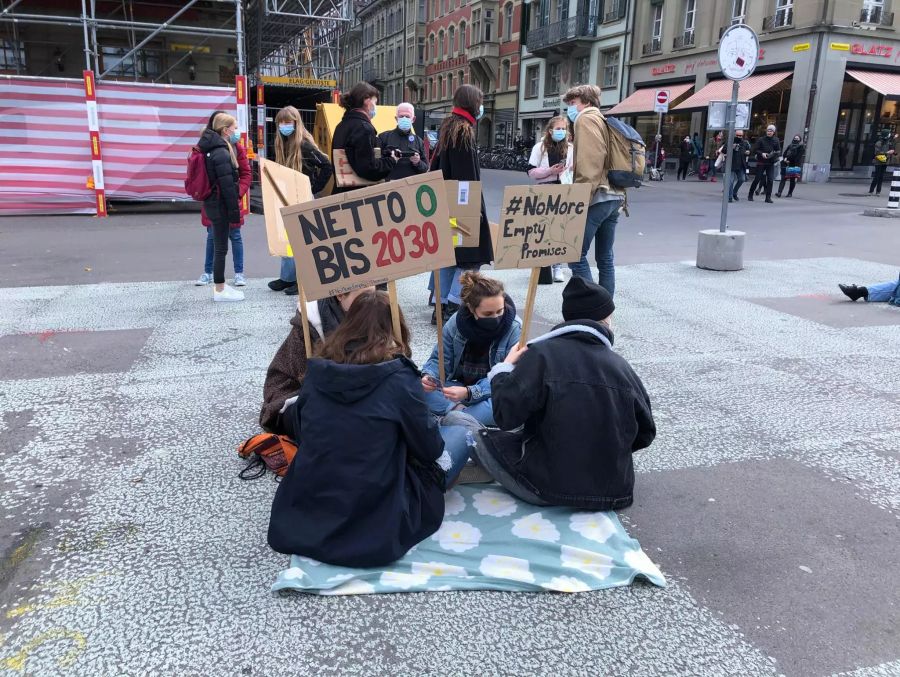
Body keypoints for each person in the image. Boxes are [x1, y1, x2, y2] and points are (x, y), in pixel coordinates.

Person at [267, 291, 470, 568]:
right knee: (461, 433)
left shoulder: (317, 372)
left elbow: (307, 433)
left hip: (311, 509)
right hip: (378, 518)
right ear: (393, 327)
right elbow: (429, 449)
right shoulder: (400, 378)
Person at [470, 277, 656, 508]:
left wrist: (502, 370)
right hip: (615, 491)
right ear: (605, 319)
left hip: (545, 489)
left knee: (466, 428)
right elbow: (645, 434)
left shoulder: (541, 355)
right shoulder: (622, 367)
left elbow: (506, 416)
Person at [259, 286, 374, 436]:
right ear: (340, 294)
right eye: (363, 297)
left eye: (373, 293)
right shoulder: (310, 325)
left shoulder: (378, 309)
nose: (369, 302)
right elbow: (309, 382)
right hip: (301, 394)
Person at [428, 84, 495, 323]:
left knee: (449, 256)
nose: (482, 105)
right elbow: (466, 177)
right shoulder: (463, 131)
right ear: (473, 102)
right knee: (468, 258)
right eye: (481, 100)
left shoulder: (450, 127)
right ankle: (453, 307)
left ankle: (440, 304)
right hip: (461, 202)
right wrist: (472, 210)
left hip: (447, 200)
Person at [421, 271, 521, 427]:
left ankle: (456, 416)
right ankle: (462, 415)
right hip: (457, 389)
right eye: (487, 313)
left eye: (500, 311)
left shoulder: (515, 328)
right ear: (471, 309)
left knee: (509, 404)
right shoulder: (455, 324)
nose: (495, 317)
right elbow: (439, 360)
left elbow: (511, 378)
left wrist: (470, 392)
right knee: (416, 388)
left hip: (492, 393)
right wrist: (429, 376)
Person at [563, 84, 624, 295]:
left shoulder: (586, 119)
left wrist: (579, 202)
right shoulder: (603, 120)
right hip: (615, 195)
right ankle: (606, 310)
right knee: (605, 257)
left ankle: (593, 307)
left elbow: (590, 162)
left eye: (573, 103)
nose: (570, 109)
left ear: (586, 102)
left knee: (575, 254)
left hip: (597, 196)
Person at [267, 106, 334, 296]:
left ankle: (303, 280)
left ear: (296, 123)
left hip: (303, 196)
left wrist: (313, 188)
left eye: (288, 122)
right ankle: (288, 276)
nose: (284, 125)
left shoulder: (304, 144)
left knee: (303, 240)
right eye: (281, 122)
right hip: (288, 195)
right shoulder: (283, 143)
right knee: (287, 238)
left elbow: (326, 164)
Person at [196, 110, 251, 288]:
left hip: (224, 200)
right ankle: (211, 276)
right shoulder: (218, 151)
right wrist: (232, 197)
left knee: (233, 237)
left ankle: (238, 273)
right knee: (216, 241)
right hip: (223, 203)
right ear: (225, 130)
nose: (238, 132)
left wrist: (238, 193)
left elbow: (245, 174)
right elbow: (223, 182)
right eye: (235, 128)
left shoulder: (232, 148)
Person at [527, 115, 572, 283]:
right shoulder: (540, 147)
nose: (561, 131)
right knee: (543, 228)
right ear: (550, 130)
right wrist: (549, 171)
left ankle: (557, 266)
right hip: (544, 191)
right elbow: (531, 172)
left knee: (560, 229)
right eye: (558, 129)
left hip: (564, 191)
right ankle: (541, 265)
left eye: (563, 128)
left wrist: (569, 171)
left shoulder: (570, 148)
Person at [331, 81, 398, 195]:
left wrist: (383, 154)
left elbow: (354, 156)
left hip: (340, 193)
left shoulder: (341, 125)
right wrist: (391, 160)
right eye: (375, 102)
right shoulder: (364, 128)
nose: (376, 107)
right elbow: (368, 169)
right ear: (367, 101)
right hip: (358, 196)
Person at [377, 102, 429, 180]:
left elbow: (425, 168)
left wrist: (418, 162)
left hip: (411, 185)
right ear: (396, 118)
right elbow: (376, 164)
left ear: (413, 119)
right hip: (389, 185)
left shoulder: (418, 141)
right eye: (401, 116)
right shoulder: (384, 137)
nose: (404, 119)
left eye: (407, 116)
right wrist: (390, 159)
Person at [747, 124, 781, 203]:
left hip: (770, 162)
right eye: (768, 130)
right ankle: (750, 194)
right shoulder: (761, 139)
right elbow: (755, 149)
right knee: (757, 179)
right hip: (761, 162)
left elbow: (779, 151)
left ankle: (768, 197)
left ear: (774, 132)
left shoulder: (776, 140)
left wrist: (773, 154)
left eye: (771, 131)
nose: (769, 132)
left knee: (770, 180)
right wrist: (762, 153)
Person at [720, 129, 751, 203]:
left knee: (742, 179)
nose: (739, 137)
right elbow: (723, 150)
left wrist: (748, 152)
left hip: (741, 164)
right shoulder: (730, 141)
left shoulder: (745, 142)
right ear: (735, 135)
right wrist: (731, 147)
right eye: (737, 135)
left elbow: (749, 151)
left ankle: (734, 192)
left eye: (740, 135)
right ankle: (730, 197)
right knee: (730, 181)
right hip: (731, 164)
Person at [776, 134, 806, 198]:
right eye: (795, 138)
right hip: (786, 164)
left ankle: (790, 193)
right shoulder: (790, 146)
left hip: (794, 165)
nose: (796, 139)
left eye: (797, 138)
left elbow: (798, 157)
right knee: (783, 178)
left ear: (800, 140)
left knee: (792, 180)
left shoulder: (801, 147)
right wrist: (785, 159)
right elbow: (784, 154)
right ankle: (779, 192)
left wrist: (790, 160)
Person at [868, 130, 896, 197]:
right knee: (877, 176)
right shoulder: (879, 142)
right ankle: (871, 190)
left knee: (881, 177)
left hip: (885, 161)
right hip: (878, 161)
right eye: (888, 133)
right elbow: (877, 152)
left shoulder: (888, 142)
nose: (889, 134)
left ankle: (878, 191)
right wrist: (887, 152)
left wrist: (893, 152)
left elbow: (891, 148)